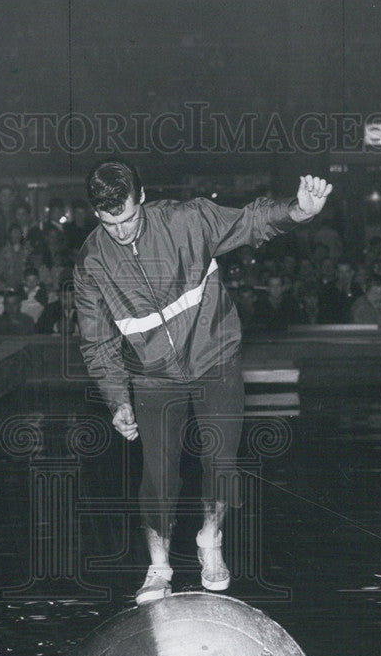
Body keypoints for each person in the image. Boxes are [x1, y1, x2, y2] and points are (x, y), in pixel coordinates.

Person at [74, 159, 331, 604]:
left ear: (143, 198)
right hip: (153, 376)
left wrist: (299, 211)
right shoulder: (92, 262)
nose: (121, 231)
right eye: (108, 222)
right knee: (158, 475)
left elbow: (250, 221)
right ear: (97, 214)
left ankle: (210, 541)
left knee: (222, 464)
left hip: (215, 359)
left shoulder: (188, 219)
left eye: (129, 217)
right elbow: (96, 341)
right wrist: (117, 399)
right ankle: (159, 567)